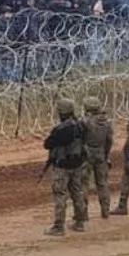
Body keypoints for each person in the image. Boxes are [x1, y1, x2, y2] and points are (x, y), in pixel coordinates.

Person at [43, 98, 88, 235]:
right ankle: (80, 222)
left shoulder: (61, 129)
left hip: (62, 166)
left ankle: (59, 226)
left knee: (60, 194)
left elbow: (47, 144)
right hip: (77, 164)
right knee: (77, 192)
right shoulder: (81, 125)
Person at [80, 96, 114, 219]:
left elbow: (80, 139)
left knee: (83, 184)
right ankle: (105, 210)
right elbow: (109, 141)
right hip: (101, 153)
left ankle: (83, 213)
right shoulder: (106, 122)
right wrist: (106, 155)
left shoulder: (85, 122)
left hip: (87, 154)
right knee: (102, 183)